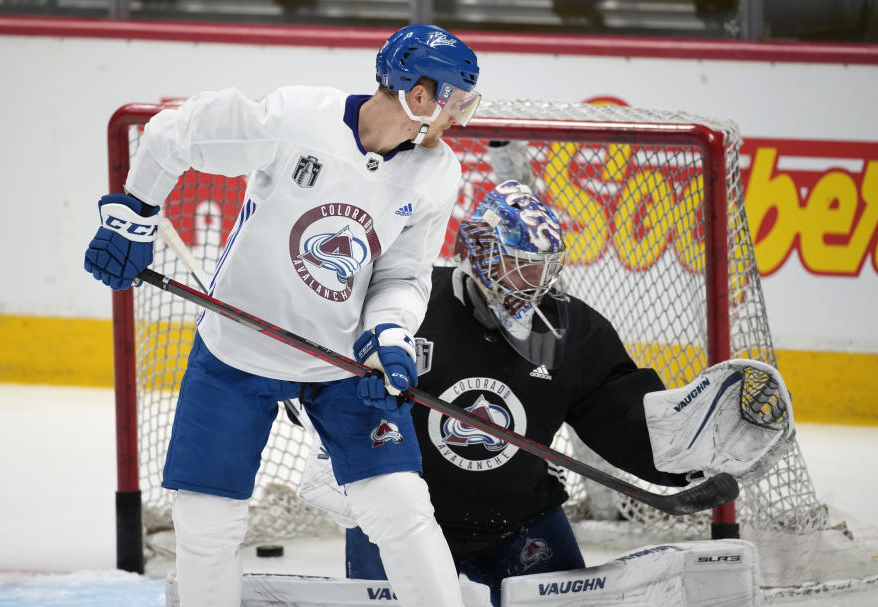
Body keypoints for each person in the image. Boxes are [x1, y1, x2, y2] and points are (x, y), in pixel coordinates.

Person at [83, 23, 482, 607]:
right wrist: (134, 215)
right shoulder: (298, 120)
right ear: (418, 96)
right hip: (236, 352)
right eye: (456, 102)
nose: (460, 120)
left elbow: (400, 274)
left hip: (341, 363)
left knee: (401, 507)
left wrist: (390, 334)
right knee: (206, 523)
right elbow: (174, 132)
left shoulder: (437, 172)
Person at [328, 180, 792, 607]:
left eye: (543, 268)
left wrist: (677, 447)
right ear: (481, 252)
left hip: (519, 524)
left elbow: (616, 413)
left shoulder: (566, 331)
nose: (534, 282)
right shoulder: (409, 303)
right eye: (520, 266)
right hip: (399, 524)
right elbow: (330, 376)